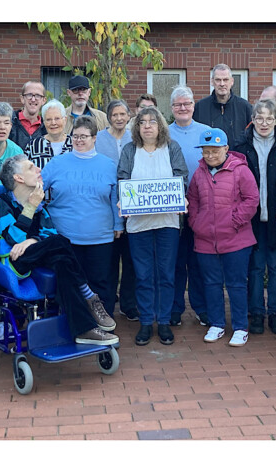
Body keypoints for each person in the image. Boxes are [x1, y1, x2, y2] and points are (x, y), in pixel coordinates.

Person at [0, 155, 118, 344]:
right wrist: (31, 206)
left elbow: (49, 233)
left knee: (63, 261)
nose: (39, 170)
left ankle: (85, 330)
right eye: (31, 167)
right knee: (61, 242)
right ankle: (89, 295)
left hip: (38, 255)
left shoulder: (40, 205)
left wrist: (32, 240)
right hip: (15, 261)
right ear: (19, 178)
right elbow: (13, 238)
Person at [118, 107, 189, 346]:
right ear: (137, 127)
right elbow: (122, 179)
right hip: (138, 225)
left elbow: (182, 177)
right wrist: (122, 198)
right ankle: (147, 322)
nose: (147, 126)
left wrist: (182, 195)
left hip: (167, 223)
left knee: (166, 273)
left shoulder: (172, 148)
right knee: (143, 274)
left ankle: (165, 322)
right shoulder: (130, 150)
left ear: (160, 126)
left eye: (152, 122)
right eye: (142, 122)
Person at [42, 116, 123, 318]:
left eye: (84, 136)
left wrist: (118, 223)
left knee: (101, 282)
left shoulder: (108, 165)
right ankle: (74, 323)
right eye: (75, 136)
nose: (79, 140)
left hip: (101, 236)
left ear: (94, 138)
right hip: (66, 236)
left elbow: (115, 198)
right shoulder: (57, 163)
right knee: (70, 283)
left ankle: (104, 322)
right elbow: (37, 189)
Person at [188, 128, 259, 347]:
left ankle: (239, 327)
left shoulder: (240, 170)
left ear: (226, 149)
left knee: (237, 284)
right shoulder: (199, 173)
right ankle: (217, 324)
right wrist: (196, 223)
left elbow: (251, 199)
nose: (209, 156)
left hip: (236, 239)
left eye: (214, 151)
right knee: (211, 283)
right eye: (206, 151)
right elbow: (193, 200)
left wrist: (233, 222)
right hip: (205, 240)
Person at [233, 99, 276, 335]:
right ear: (253, 120)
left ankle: (275, 311)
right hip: (253, 218)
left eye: (269, 118)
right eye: (259, 118)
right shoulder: (241, 145)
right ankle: (256, 312)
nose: (264, 123)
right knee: (255, 267)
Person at [167, 85, 210, 326]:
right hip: (171, 207)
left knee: (197, 261)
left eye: (187, 104)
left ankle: (201, 307)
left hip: (202, 205)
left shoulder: (206, 132)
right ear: (171, 108)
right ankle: (174, 309)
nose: (183, 108)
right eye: (178, 104)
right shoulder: (164, 133)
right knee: (174, 261)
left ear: (193, 106)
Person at [95, 100, 139, 321]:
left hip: (134, 207)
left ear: (129, 116)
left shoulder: (136, 136)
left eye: (123, 114)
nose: (119, 118)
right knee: (109, 261)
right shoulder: (99, 139)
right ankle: (107, 305)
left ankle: (129, 303)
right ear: (109, 117)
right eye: (115, 115)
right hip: (105, 209)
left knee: (131, 260)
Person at [193, 63, 252, 148]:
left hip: (237, 159)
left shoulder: (245, 107)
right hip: (209, 158)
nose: (222, 84)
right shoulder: (200, 108)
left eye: (225, 80)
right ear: (212, 81)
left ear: (232, 81)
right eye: (218, 80)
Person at [26, 99, 73, 169]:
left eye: (57, 118)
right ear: (44, 122)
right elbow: (25, 173)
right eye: (48, 119)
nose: (53, 123)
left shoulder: (75, 144)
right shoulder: (33, 146)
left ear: (65, 120)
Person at [9, 81, 47, 151]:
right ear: (22, 99)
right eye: (29, 95)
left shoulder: (47, 127)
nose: (33, 99)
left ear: (43, 100)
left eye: (38, 96)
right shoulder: (9, 123)